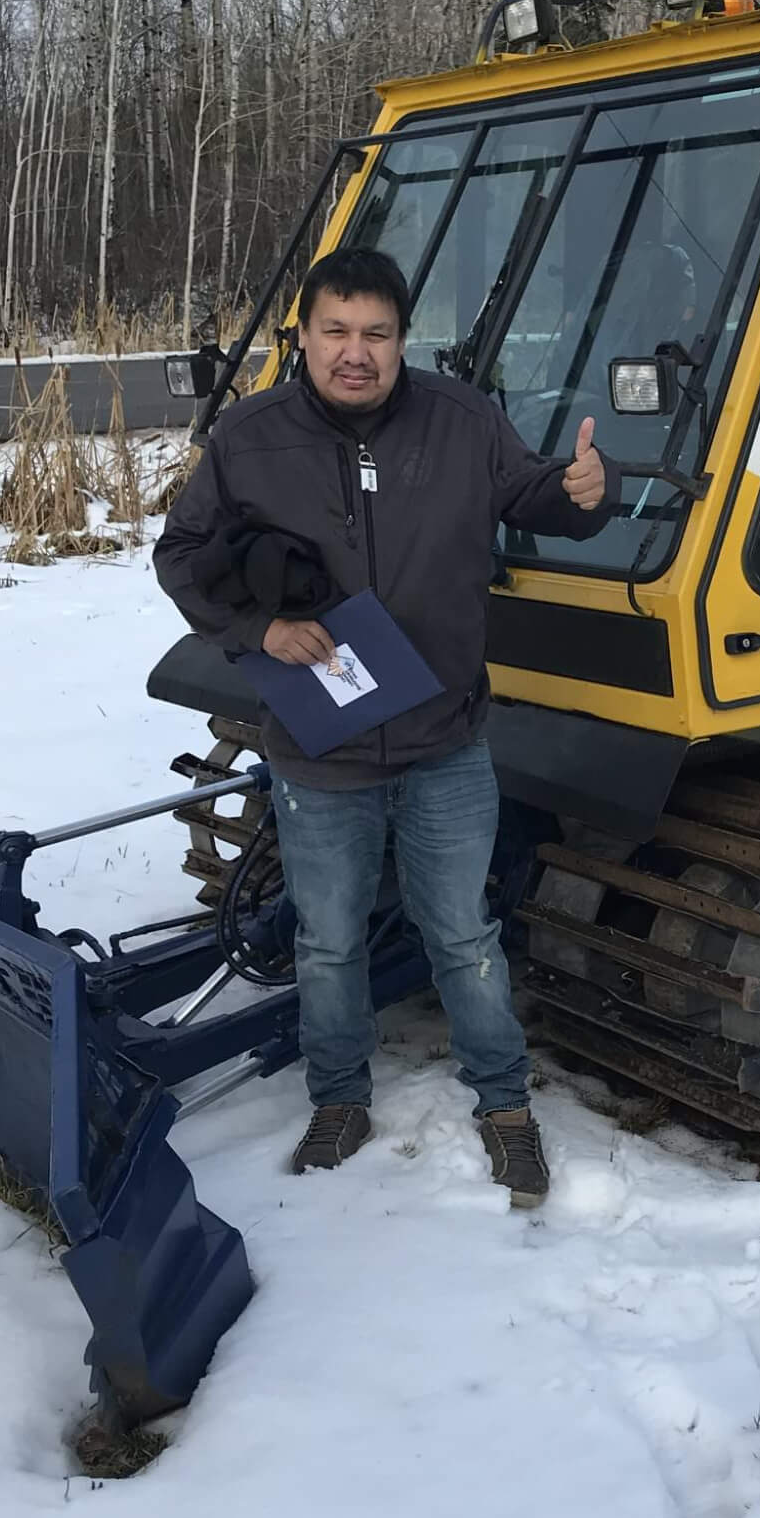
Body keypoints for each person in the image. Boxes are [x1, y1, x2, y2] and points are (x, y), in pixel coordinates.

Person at [153, 247, 616, 1207]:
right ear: (304, 335)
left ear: (403, 340)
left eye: (376, 335)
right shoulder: (250, 435)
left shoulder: (460, 419)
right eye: (336, 332)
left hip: (444, 737)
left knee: (463, 935)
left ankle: (504, 1105)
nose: (354, 354)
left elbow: (525, 495)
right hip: (318, 751)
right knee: (328, 942)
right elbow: (184, 553)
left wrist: (573, 499)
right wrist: (260, 630)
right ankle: (338, 1098)